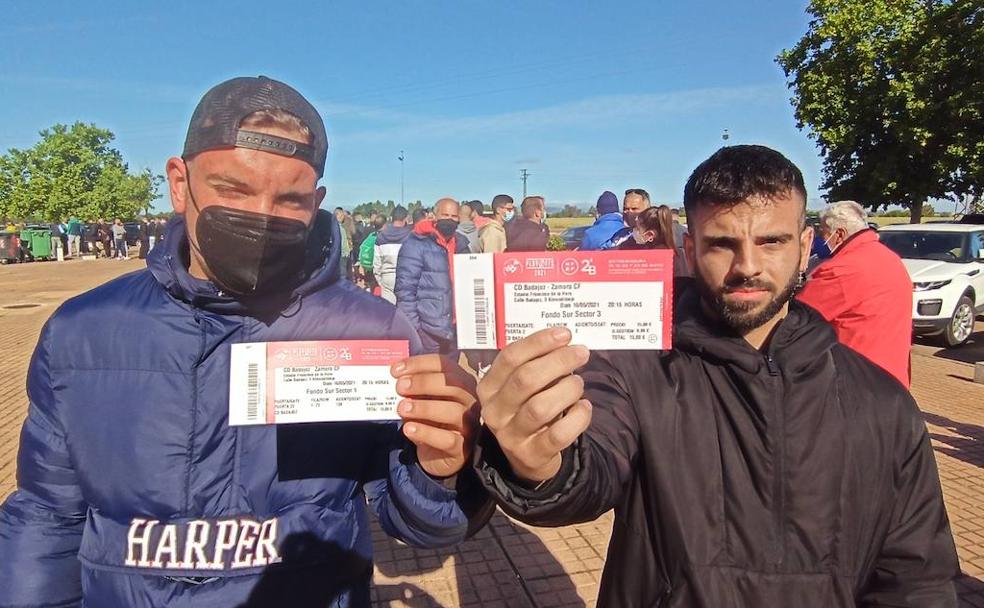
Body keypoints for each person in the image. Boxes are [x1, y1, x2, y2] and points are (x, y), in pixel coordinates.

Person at [0, 75, 491, 608]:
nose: (260, 217)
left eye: (290, 200)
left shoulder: (374, 332)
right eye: (232, 190)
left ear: (318, 200)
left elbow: (418, 522)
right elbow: (47, 516)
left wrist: (444, 471)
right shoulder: (84, 330)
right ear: (180, 183)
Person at [472, 145, 958, 607]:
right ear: (689, 246)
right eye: (723, 243)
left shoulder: (881, 402)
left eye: (772, 241)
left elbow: (917, 579)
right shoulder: (637, 370)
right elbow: (589, 471)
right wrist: (539, 464)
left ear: (806, 245)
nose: (747, 266)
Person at [796, 201, 913, 387]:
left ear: (839, 234)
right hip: (893, 379)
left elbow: (796, 319)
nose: (821, 238)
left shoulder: (842, 269)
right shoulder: (891, 259)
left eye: (824, 233)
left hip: (855, 383)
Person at [395, 197, 469, 357]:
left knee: (452, 378)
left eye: (454, 216)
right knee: (428, 377)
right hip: (428, 330)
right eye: (445, 215)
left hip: (455, 328)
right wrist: (415, 327)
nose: (449, 220)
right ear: (434, 216)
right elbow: (405, 290)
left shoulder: (462, 244)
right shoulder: (416, 244)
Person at [617, 205, 691, 279]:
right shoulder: (679, 254)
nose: (634, 231)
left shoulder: (649, 259)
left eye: (637, 229)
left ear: (650, 235)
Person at [374, 206, 412, 304]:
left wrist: (380, 281)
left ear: (391, 218)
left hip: (387, 278)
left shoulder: (380, 237)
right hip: (406, 278)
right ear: (406, 218)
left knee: (388, 312)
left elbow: (377, 264)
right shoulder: (410, 236)